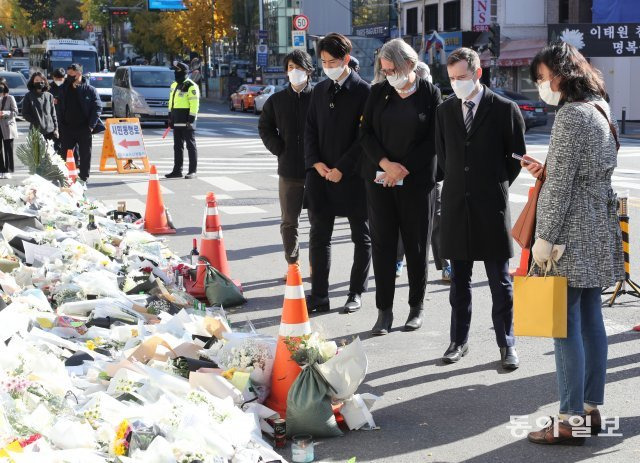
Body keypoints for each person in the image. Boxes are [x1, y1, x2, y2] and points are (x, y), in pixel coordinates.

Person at [523, 42, 624, 446]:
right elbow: (580, 171)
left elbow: (561, 186)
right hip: (596, 228)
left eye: (544, 77)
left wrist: (543, 241)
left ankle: (567, 420)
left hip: (570, 232)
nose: (543, 85)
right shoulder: (599, 107)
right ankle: (590, 409)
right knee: (590, 321)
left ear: (563, 73)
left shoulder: (570, 115)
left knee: (563, 327)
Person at [435, 47, 525, 369]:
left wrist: (493, 185)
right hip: (457, 207)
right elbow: (443, 158)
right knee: (459, 283)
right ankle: (458, 341)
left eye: (462, 77)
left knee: (500, 283)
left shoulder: (504, 109)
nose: (457, 83)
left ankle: (507, 344)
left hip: (491, 208)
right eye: (452, 78)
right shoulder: (445, 111)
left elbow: (515, 158)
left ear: (477, 74)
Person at [360, 38, 441, 335]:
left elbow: (434, 139)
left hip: (417, 183)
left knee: (417, 245)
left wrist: (402, 168)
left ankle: (416, 307)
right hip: (381, 180)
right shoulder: (378, 92)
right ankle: (384, 311)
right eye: (383, 69)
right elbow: (365, 133)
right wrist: (386, 165)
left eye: (392, 69)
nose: (387, 74)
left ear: (409, 65)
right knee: (382, 246)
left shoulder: (430, 93)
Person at [304, 33, 372, 314]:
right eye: (323, 62)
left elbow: (365, 137)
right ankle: (319, 295)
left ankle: (355, 292)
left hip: (354, 177)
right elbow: (310, 130)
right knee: (319, 236)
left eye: (332, 61)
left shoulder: (364, 91)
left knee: (362, 236)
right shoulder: (320, 90)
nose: (327, 66)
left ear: (346, 59)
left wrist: (343, 167)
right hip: (321, 176)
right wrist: (316, 163)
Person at [259, 50, 313, 276]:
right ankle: (293, 264)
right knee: (289, 222)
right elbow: (265, 127)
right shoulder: (277, 100)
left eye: (299, 68)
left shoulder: (320, 97)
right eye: (291, 68)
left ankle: (316, 265)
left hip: (317, 170)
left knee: (319, 223)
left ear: (309, 71)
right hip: (289, 170)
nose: (295, 72)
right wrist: (278, 148)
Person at [59, 63, 103, 183]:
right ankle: (65, 176)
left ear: (79, 74)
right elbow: (58, 106)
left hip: (84, 128)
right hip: (67, 127)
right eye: (68, 75)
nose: (68, 77)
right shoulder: (63, 88)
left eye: (71, 74)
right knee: (65, 154)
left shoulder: (89, 90)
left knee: (85, 154)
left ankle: (84, 177)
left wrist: (91, 126)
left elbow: (97, 107)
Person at [165, 62, 200, 179]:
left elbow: (194, 103)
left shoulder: (191, 85)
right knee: (177, 146)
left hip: (187, 119)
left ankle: (192, 171)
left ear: (183, 72)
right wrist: (170, 116)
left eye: (177, 70)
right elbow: (171, 101)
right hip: (176, 118)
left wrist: (191, 118)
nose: (175, 73)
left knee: (190, 145)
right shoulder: (174, 85)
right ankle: (177, 170)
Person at [22, 72, 58, 142]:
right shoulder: (28, 96)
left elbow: (53, 114)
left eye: (41, 80)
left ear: (45, 81)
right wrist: (36, 121)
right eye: (37, 80)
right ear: (32, 82)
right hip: (35, 131)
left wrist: (56, 129)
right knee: (37, 152)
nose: (39, 82)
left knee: (49, 152)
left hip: (50, 131)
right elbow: (25, 113)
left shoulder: (49, 95)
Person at [0, 78, 18, 179]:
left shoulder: (10, 98)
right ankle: (1, 169)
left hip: (7, 126)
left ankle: (8, 170)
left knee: (8, 149)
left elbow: (15, 112)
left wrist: (5, 113)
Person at [49, 68, 66, 155]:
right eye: (57, 79)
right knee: (55, 140)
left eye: (61, 79)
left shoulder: (67, 86)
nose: (59, 81)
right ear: (53, 78)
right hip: (53, 118)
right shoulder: (49, 87)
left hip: (65, 118)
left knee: (65, 141)